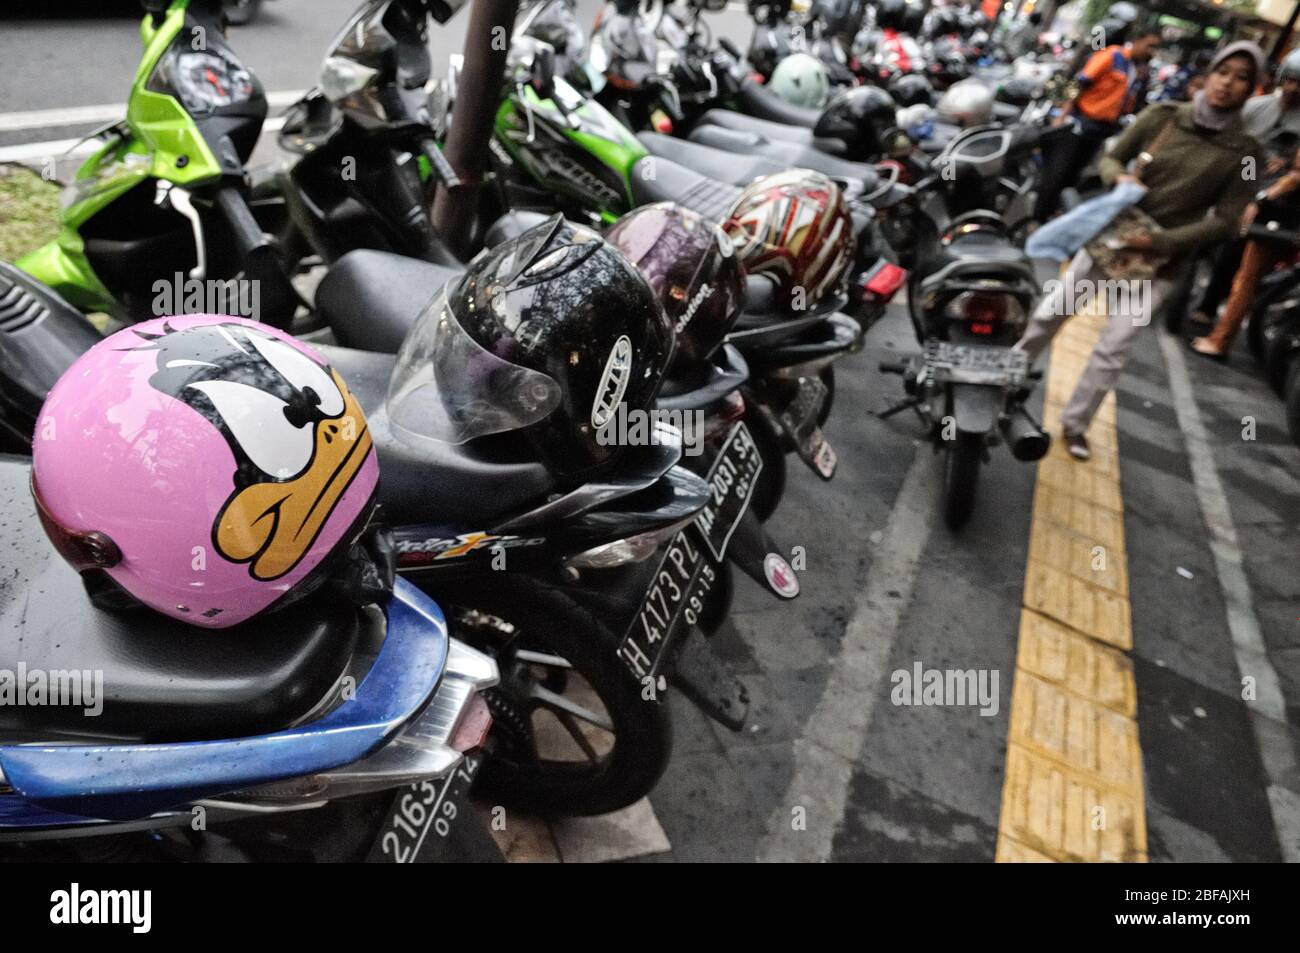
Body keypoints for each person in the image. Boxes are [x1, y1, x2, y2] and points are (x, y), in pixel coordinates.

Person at [1017, 42, 1263, 461]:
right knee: (1049, 315)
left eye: (1242, 77)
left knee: (1113, 350)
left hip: (1161, 264)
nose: (1228, 83)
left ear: (1251, 90)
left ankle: (1075, 426)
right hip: (1110, 241)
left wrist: (1163, 242)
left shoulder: (1246, 153)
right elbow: (1112, 158)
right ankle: (1006, 383)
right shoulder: (1163, 117)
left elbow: (1226, 220)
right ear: (1210, 74)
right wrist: (1121, 182)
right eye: (1224, 71)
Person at [1188, 50, 1300, 328]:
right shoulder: (1257, 107)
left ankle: (1209, 305)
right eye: (1290, 80)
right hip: (1239, 178)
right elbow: (1230, 140)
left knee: (1236, 248)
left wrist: (1276, 172)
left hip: (1274, 197)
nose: (1293, 89)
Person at [1032, 26, 1163, 223]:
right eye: (1149, 46)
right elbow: (1080, 83)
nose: (1151, 51)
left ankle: (1053, 215)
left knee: (1075, 177)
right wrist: (1063, 116)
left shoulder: (1138, 71)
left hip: (1102, 130)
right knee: (1057, 174)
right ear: (1137, 40)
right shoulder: (1112, 56)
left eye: (1156, 48)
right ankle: (1036, 218)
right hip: (1080, 123)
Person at [1190, 151, 1300, 359]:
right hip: (1282, 229)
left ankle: (1219, 340)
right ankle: (1211, 318)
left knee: (1245, 282)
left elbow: (1295, 177)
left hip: (1278, 228)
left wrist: (1260, 200)